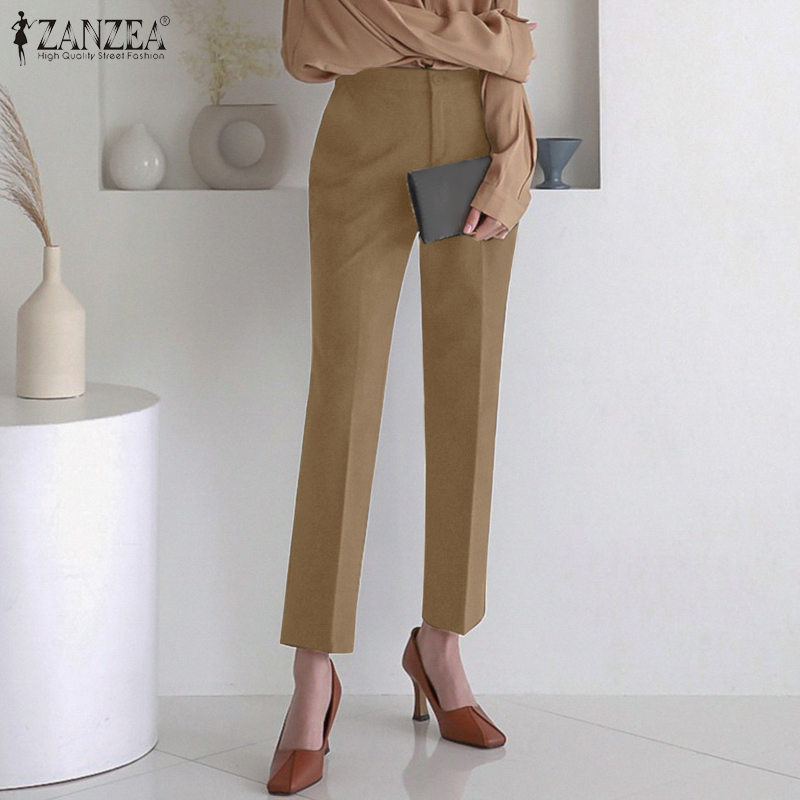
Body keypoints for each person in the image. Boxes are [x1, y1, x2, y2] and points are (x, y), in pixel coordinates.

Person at [268, 0, 538, 793]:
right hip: (363, 133)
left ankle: (440, 645)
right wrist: (487, 41)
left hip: (477, 135)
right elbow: (311, 43)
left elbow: (507, 44)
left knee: (468, 396)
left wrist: (513, 157)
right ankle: (313, 674)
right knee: (341, 399)